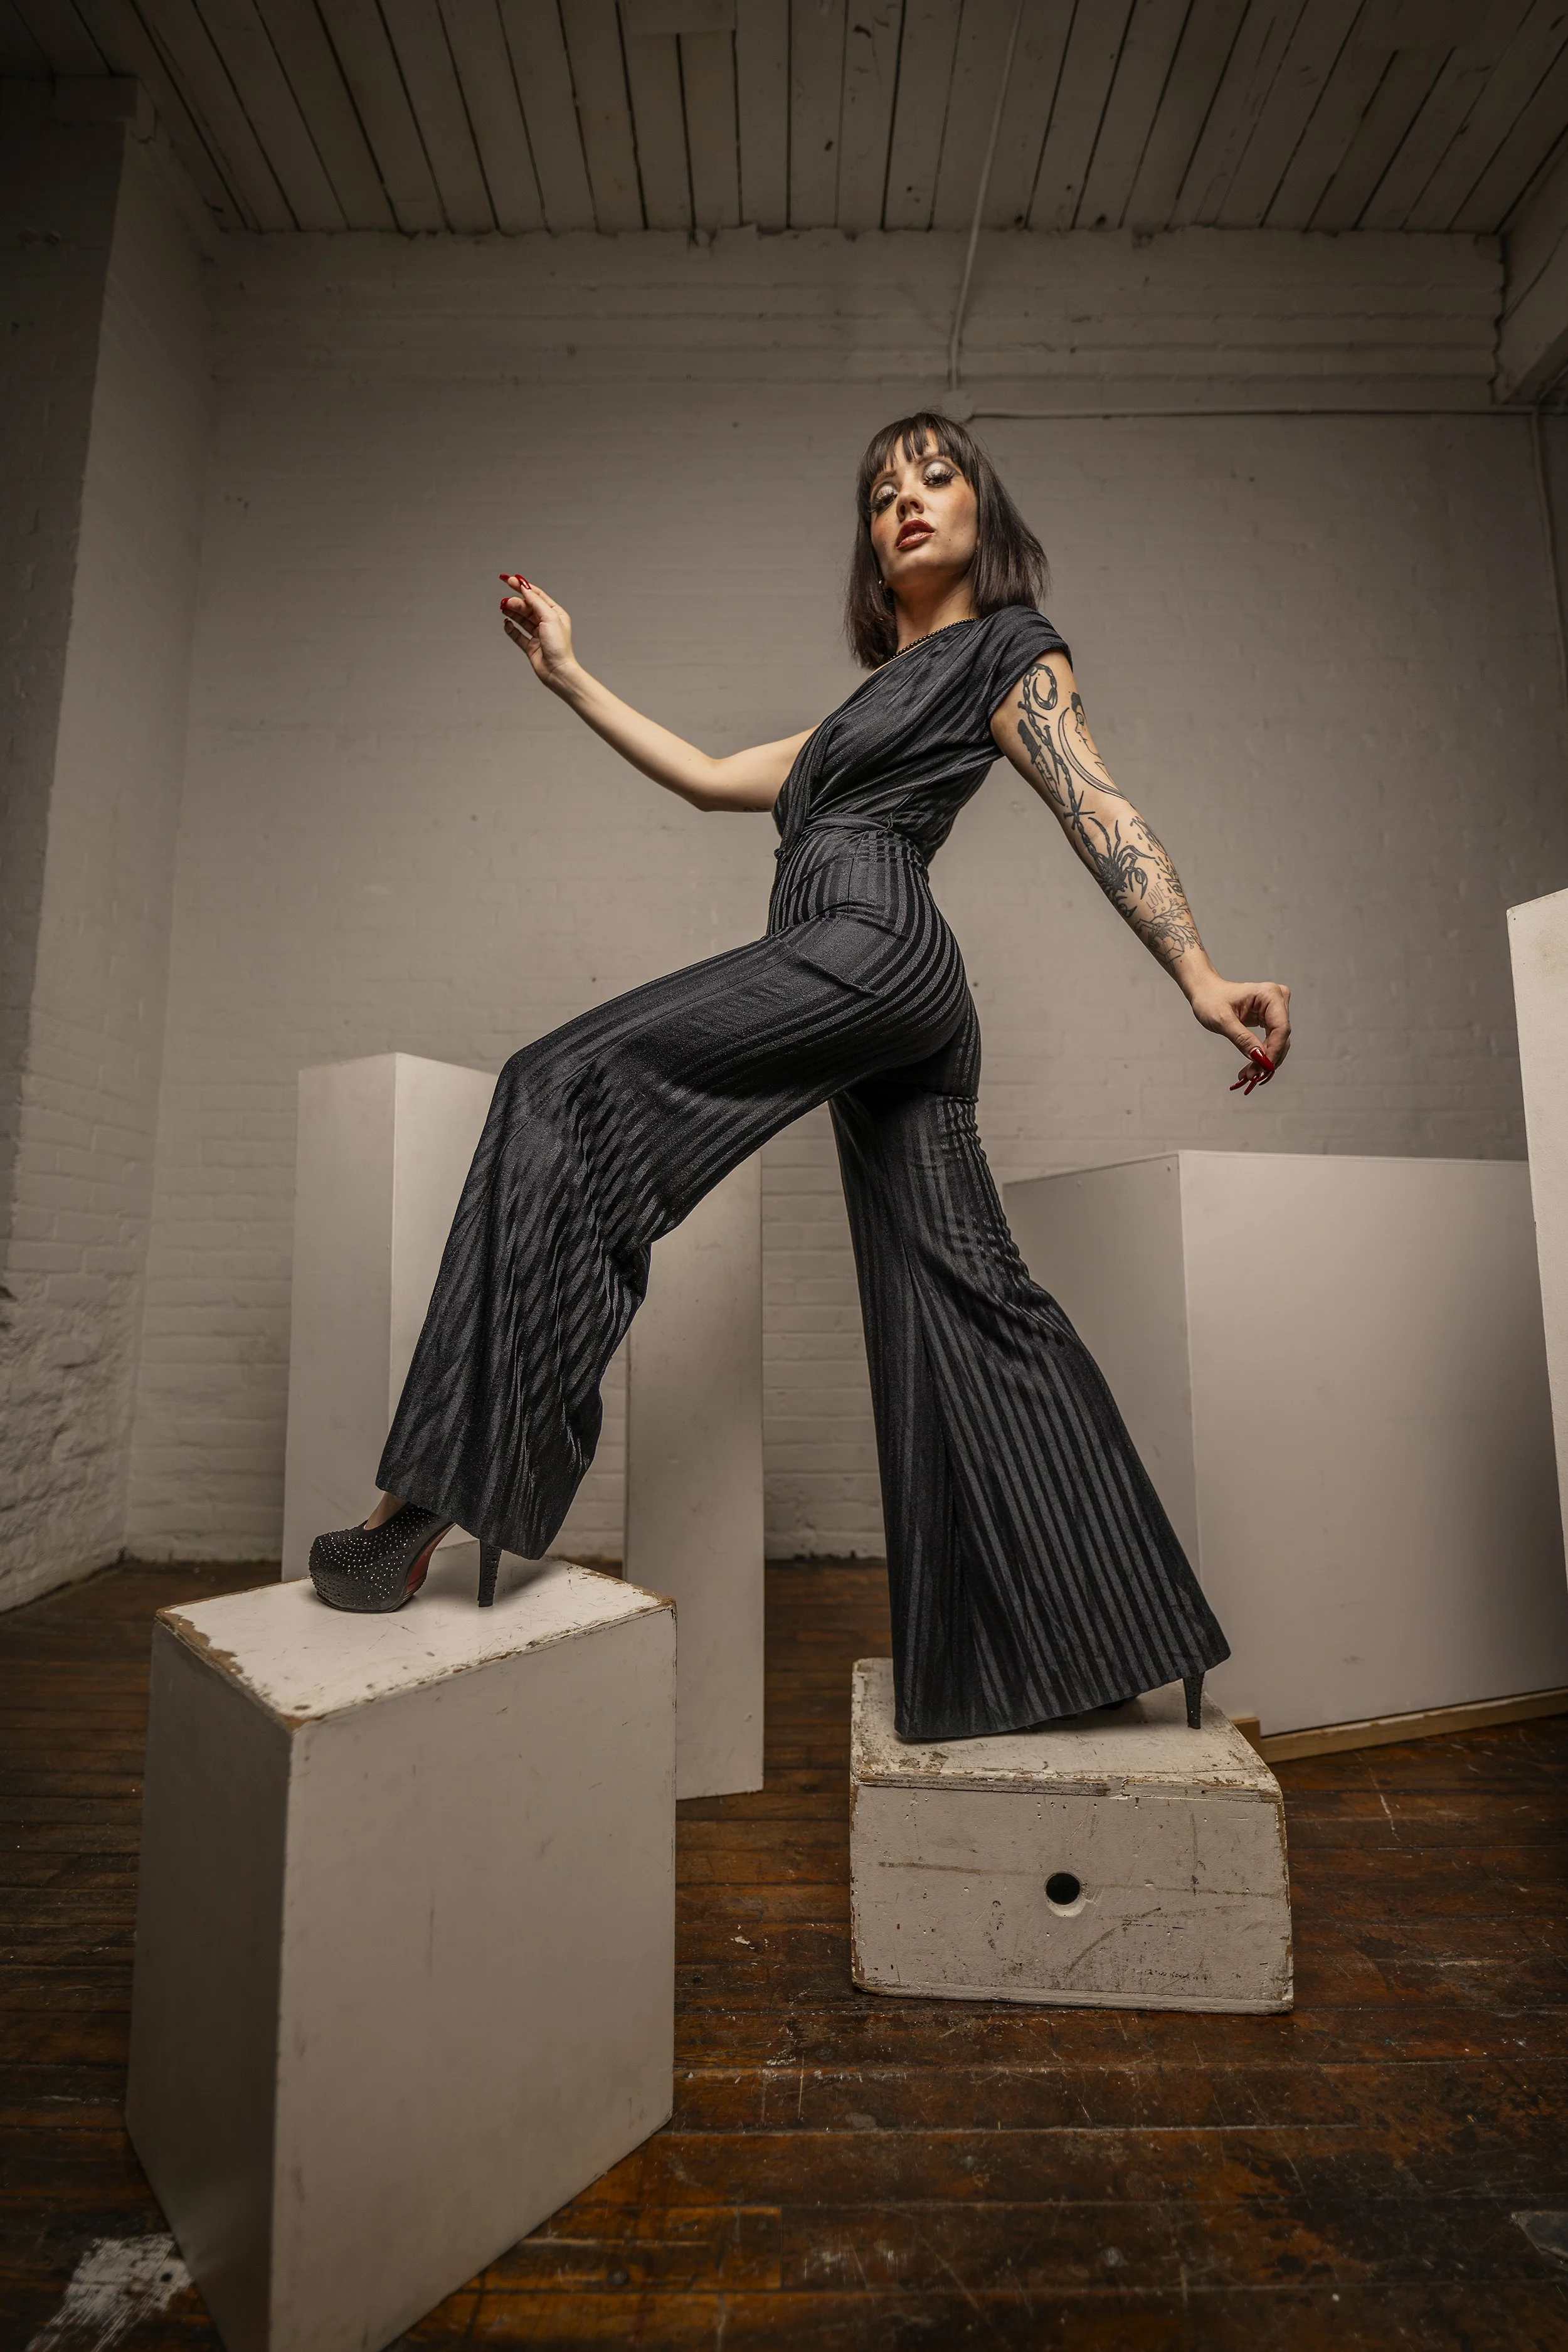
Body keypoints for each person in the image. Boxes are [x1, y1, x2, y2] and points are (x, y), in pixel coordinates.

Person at [308, 414, 1290, 1742]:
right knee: (963, 1294)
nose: (906, 501)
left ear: (980, 512)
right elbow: (716, 779)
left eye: (936, 477)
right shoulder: (856, 715)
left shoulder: (1008, 648)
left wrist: (1195, 972)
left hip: (873, 949)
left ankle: (432, 1487)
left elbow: (1094, 803)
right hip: (885, 997)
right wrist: (570, 675)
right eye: (881, 491)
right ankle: (1092, 1635)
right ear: (868, 549)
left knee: (557, 1086)